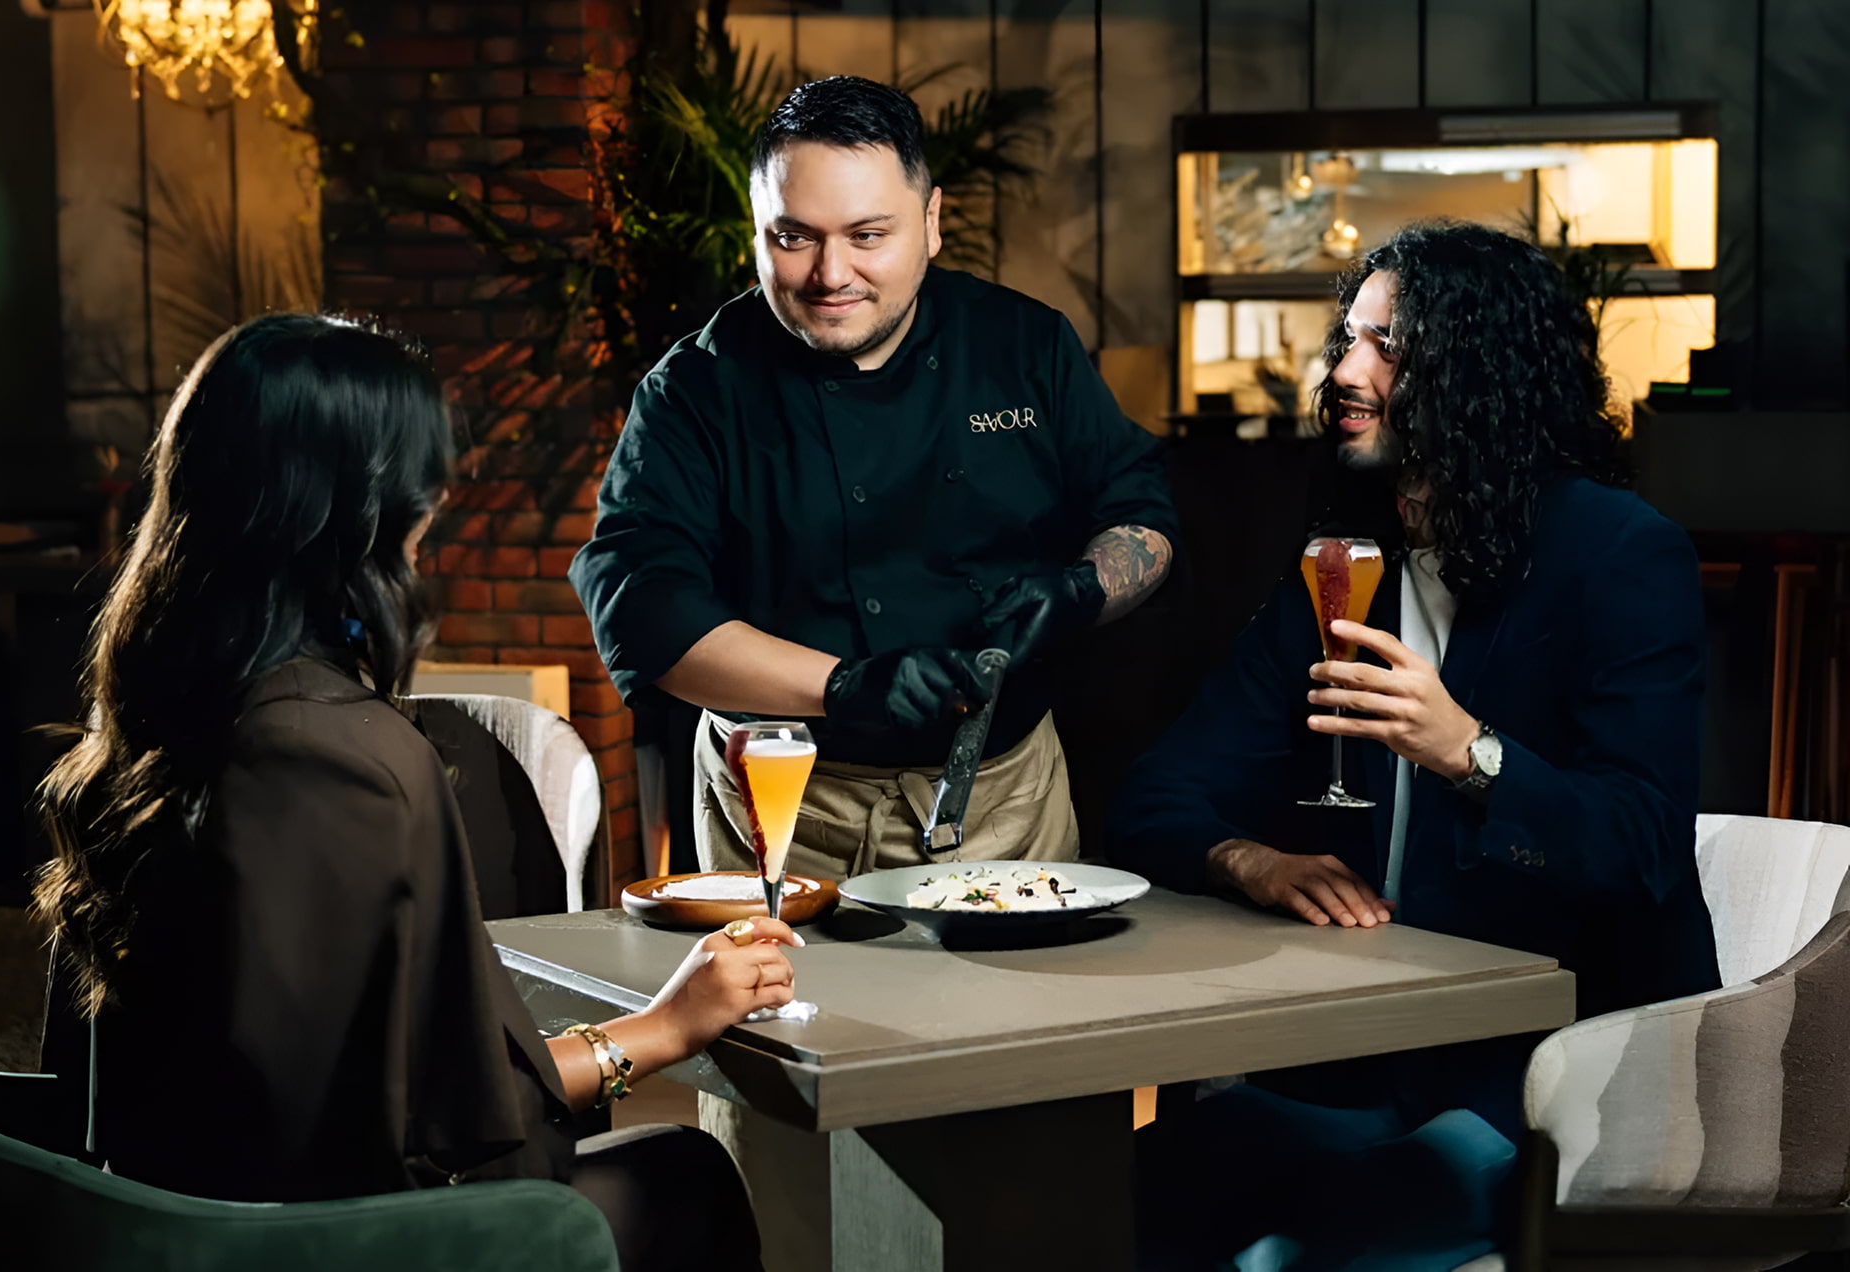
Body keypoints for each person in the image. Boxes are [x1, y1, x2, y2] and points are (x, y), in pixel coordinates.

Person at [32, 314, 793, 1272]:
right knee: (687, 1178)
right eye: (421, 482)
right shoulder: (343, 758)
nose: (435, 505)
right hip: (309, 1249)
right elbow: (461, 1142)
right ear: (363, 509)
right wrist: (666, 1029)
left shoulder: (144, 724)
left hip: (149, 1220)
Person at [1111, 222, 1721, 1270]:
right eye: (1348, 340)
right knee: (1119, 1192)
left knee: (1284, 1259)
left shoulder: (1620, 555)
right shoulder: (1345, 574)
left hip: (1548, 1070)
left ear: (1477, 372)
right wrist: (1248, 860)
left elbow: (1645, 845)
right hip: (1357, 1057)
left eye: (1387, 348)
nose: (1345, 374)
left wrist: (1470, 754)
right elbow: (1157, 793)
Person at [570, 76, 1179, 878]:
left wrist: (1081, 591)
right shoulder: (696, 390)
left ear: (931, 223)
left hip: (1007, 803)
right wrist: (847, 686)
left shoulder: (1024, 347)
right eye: (794, 238)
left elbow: (1143, 512)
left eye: (868, 235)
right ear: (757, 230)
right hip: (784, 812)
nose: (831, 274)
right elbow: (644, 611)